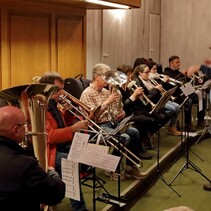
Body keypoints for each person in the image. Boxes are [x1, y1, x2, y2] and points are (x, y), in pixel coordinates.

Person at [80, 63, 147, 180]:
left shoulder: (106, 92)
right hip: (96, 127)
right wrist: (107, 102)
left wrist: (121, 113)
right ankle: (110, 167)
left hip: (111, 123)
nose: (108, 80)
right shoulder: (87, 93)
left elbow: (115, 111)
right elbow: (90, 117)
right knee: (124, 138)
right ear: (97, 77)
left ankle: (130, 168)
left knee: (134, 132)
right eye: (106, 77)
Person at [39, 72, 89, 211]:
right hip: (49, 151)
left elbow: (62, 126)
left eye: (62, 88)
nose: (62, 93)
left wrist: (67, 113)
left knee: (86, 152)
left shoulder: (54, 104)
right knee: (69, 162)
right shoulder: (41, 107)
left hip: (61, 146)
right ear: (46, 87)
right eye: (58, 89)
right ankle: (79, 208)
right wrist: (73, 128)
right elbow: (50, 137)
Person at [0, 106, 65, 211]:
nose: (27, 129)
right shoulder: (23, 164)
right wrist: (52, 174)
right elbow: (55, 193)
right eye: (25, 125)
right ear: (16, 130)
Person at [132, 64, 180, 136]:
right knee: (165, 114)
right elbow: (148, 98)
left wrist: (159, 90)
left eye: (149, 72)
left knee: (167, 115)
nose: (149, 74)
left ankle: (152, 132)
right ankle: (150, 133)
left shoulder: (148, 80)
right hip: (146, 106)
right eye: (147, 72)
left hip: (156, 102)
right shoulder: (138, 83)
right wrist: (156, 89)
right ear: (140, 73)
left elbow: (155, 94)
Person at [117, 64, 153, 159]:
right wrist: (134, 95)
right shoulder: (117, 88)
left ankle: (141, 146)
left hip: (131, 112)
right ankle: (139, 149)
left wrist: (138, 96)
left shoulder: (127, 86)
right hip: (124, 115)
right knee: (143, 120)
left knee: (148, 116)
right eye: (129, 74)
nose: (131, 76)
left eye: (130, 74)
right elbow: (123, 106)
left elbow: (133, 103)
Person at [163, 55, 206, 131]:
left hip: (184, 93)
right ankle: (187, 124)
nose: (179, 64)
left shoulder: (178, 72)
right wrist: (182, 74)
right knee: (188, 101)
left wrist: (188, 76)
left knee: (201, 98)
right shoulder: (166, 73)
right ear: (171, 64)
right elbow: (171, 85)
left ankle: (200, 121)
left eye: (179, 62)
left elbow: (185, 83)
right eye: (177, 62)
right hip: (175, 95)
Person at [147, 61, 182, 135]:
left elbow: (161, 88)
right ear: (149, 71)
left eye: (156, 69)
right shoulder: (150, 79)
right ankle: (158, 126)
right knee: (172, 109)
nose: (156, 71)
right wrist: (163, 82)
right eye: (154, 69)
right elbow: (155, 91)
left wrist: (164, 81)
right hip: (156, 101)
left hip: (161, 98)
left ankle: (172, 127)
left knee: (177, 107)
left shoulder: (156, 77)